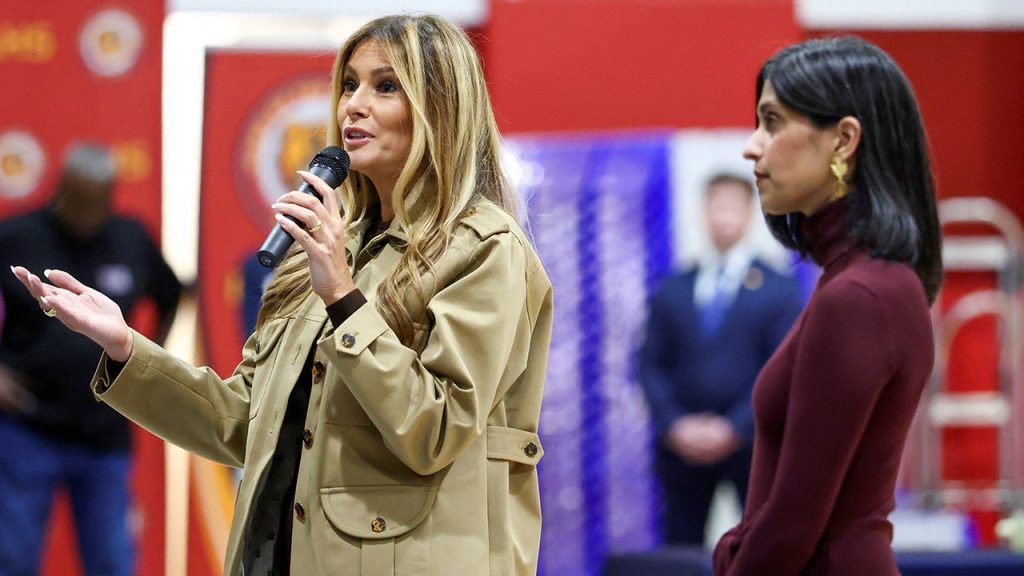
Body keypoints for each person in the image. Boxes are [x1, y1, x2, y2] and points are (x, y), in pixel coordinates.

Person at [13, 14, 553, 576]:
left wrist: (344, 297)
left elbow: (435, 432)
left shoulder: (483, 247)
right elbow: (244, 423)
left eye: (385, 86)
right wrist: (125, 345)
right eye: (349, 84)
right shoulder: (323, 252)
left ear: (440, 106)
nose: (354, 105)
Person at [712, 36, 942, 575]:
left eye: (772, 121)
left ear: (843, 140)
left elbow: (794, 524)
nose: (752, 146)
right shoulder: (861, 280)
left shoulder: (859, 295)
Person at [0, 143, 182, 576]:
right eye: (82, 199)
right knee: (13, 558)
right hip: (28, 426)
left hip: (104, 431)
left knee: (113, 562)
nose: (91, 212)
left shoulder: (130, 237)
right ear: (62, 188)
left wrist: (145, 361)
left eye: (101, 200)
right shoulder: (16, 236)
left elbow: (171, 294)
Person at [638, 173, 803, 546]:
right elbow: (649, 363)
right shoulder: (673, 286)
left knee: (763, 546)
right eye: (715, 206)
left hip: (752, 447)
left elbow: (783, 369)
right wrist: (675, 424)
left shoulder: (779, 289)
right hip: (681, 450)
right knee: (679, 553)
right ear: (703, 212)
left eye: (732, 207)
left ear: (749, 214)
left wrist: (734, 428)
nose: (722, 217)